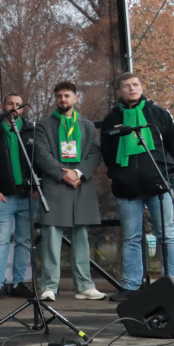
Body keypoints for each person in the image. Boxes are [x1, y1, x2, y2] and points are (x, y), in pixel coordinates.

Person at [100, 72, 174, 301]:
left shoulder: (159, 113)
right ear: (120, 90)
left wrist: (168, 171)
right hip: (127, 190)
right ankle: (131, 286)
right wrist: (117, 174)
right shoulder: (112, 118)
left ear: (141, 87)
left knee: (167, 235)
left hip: (158, 186)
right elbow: (106, 150)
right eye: (127, 86)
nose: (132, 88)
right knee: (131, 237)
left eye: (135, 84)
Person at [33, 82, 105, 301]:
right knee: (51, 237)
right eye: (59, 96)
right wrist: (62, 174)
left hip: (81, 185)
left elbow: (95, 153)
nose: (63, 99)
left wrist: (79, 173)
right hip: (56, 184)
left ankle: (84, 286)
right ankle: (49, 286)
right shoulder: (44, 125)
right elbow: (41, 154)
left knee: (82, 236)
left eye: (67, 95)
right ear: (55, 99)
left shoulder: (87, 126)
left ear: (75, 98)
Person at [0, 95, 36, 299]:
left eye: (18, 105)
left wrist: (37, 188)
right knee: (2, 240)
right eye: (10, 104)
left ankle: (19, 282)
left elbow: (39, 160)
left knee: (24, 240)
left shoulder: (30, 131)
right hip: (3, 195)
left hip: (27, 195)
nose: (14, 108)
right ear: (3, 106)